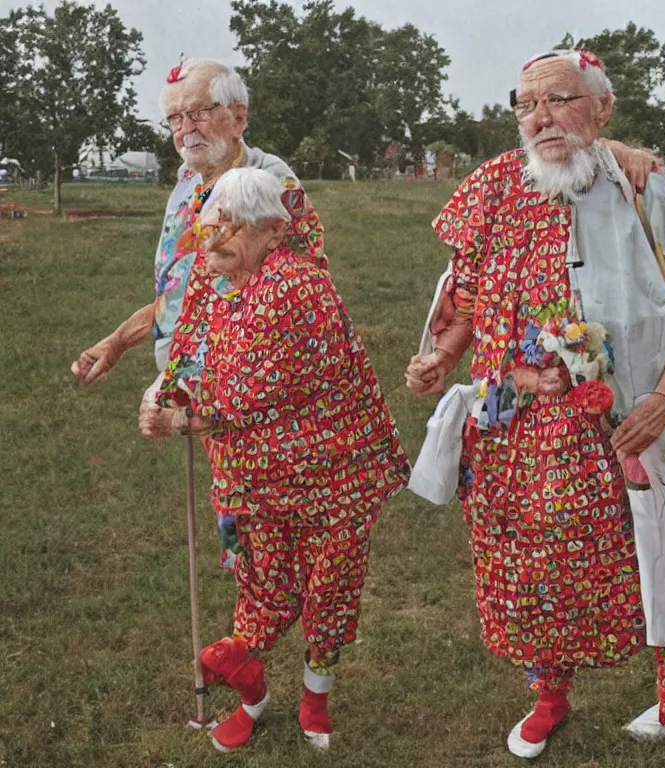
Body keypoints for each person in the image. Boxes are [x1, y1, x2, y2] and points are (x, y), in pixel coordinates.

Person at [405, 50, 665, 759]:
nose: (541, 118)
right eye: (526, 104)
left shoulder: (641, 189)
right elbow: (468, 300)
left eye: (560, 100)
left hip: (628, 414)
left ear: (601, 109)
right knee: (531, 564)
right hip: (518, 423)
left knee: (657, 546)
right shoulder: (492, 189)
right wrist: (441, 356)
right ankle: (548, 698)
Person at [144, 167, 409, 752]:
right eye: (209, 222)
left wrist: (186, 417)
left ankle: (315, 699)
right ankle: (252, 692)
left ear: (271, 232)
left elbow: (256, 388)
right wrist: (163, 395)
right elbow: (188, 354)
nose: (212, 238)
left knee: (329, 585)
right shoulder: (216, 280)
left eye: (229, 226)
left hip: (333, 472)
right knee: (261, 579)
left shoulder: (295, 284)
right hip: (254, 476)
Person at [71, 58, 324, 570]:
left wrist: (193, 407)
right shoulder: (186, 187)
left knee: (278, 531)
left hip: (256, 399)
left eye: (198, 113)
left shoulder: (268, 184)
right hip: (202, 390)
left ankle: (288, 632)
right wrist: (119, 341)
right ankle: (250, 618)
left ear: (238, 114)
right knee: (234, 530)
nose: (185, 130)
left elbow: (283, 307)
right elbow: (180, 293)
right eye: (174, 120)